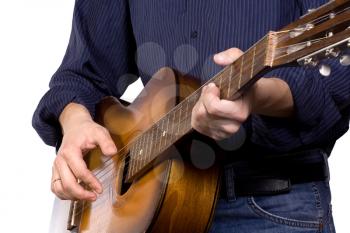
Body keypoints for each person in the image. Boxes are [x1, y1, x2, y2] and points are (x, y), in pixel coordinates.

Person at [32, 0, 350, 232]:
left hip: (271, 205)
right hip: (152, 214)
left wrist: (257, 96)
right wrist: (74, 123)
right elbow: (80, 76)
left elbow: (339, 78)